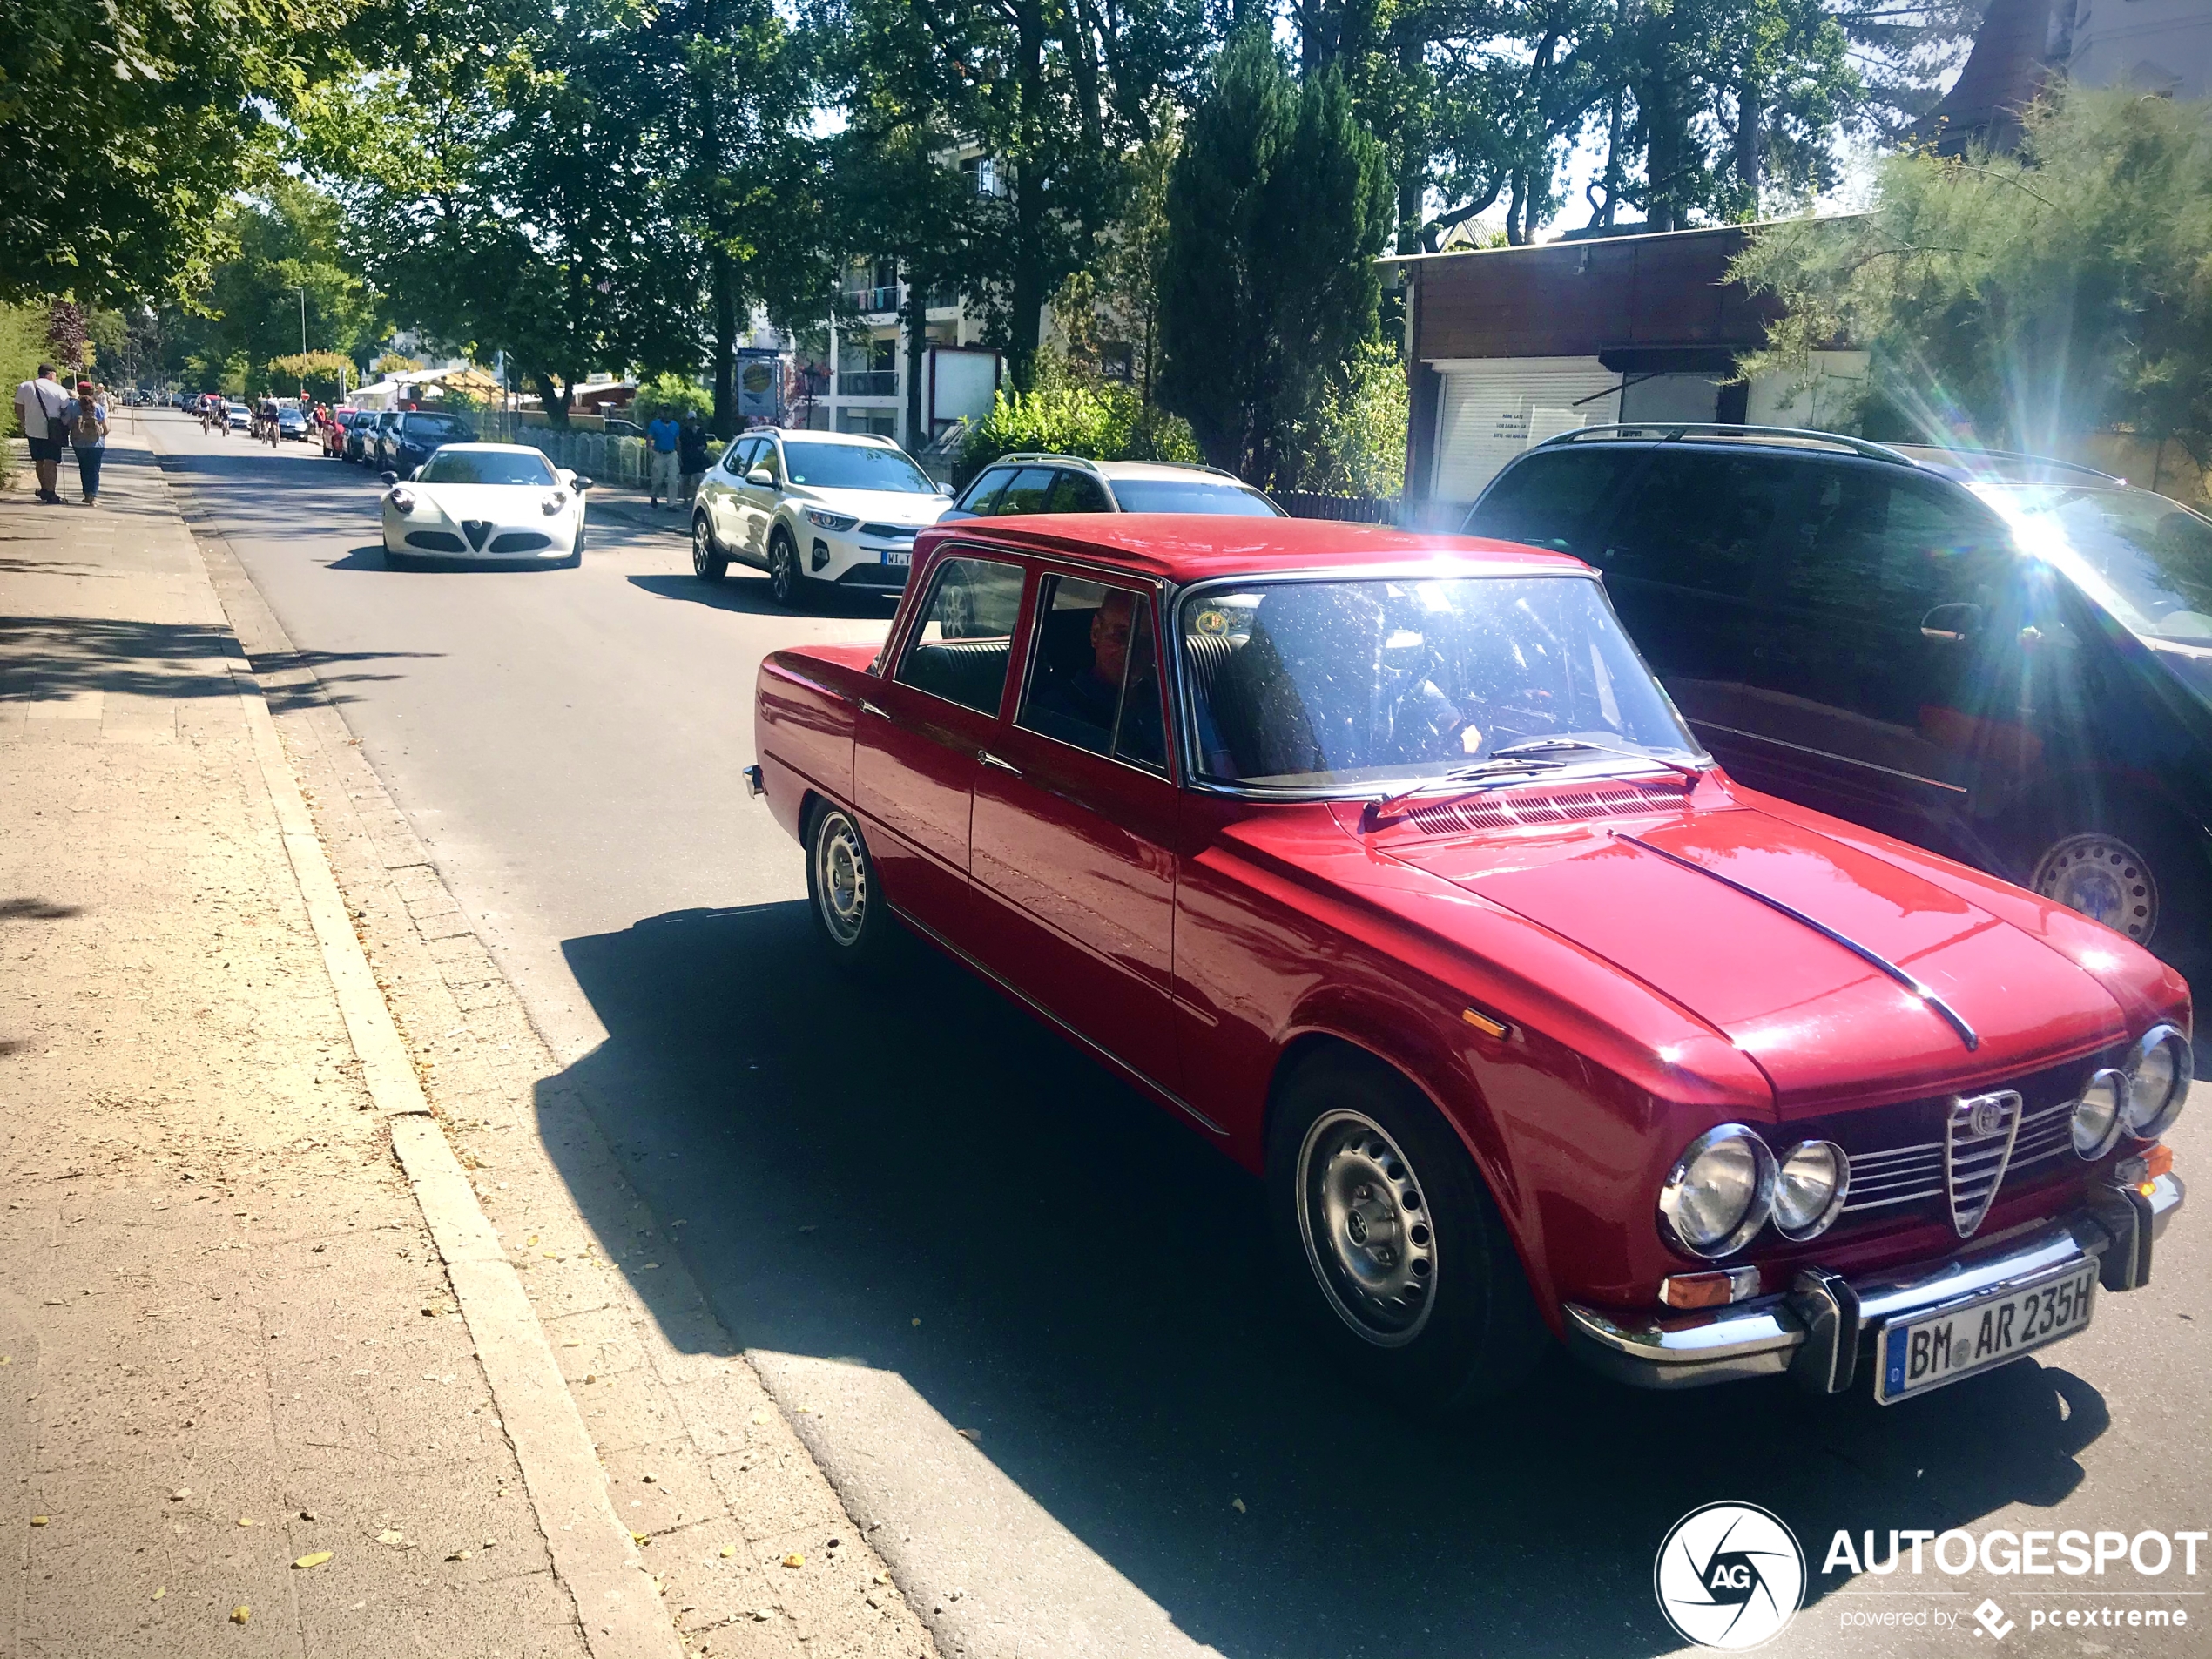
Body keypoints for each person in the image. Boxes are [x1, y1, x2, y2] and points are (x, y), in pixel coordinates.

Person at [14, 363, 73, 503]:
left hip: (32, 429)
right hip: (52, 431)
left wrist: (24, 422)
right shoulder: (59, 390)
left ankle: (44, 488)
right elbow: (66, 411)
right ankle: (50, 492)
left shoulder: (25, 386)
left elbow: (18, 407)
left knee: (39, 461)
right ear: (51, 374)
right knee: (51, 461)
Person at [65, 381, 108, 504]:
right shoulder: (98, 407)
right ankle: (93, 496)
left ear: (78, 391)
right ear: (91, 391)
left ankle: (87, 494)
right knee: (94, 469)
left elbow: (65, 422)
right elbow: (106, 428)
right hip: (96, 444)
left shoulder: (72, 406)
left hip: (78, 443)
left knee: (84, 468)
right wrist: (101, 437)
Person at [645, 408, 681, 506]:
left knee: (673, 479)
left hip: (672, 454)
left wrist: (679, 456)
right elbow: (649, 437)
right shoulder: (655, 424)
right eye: (664, 411)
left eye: (668, 411)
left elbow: (677, 441)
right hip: (659, 454)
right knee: (657, 479)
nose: (666, 413)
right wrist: (650, 450)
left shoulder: (675, 425)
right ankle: (654, 495)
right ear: (660, 413)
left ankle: (671, 503)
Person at [677, 415, 711, 507]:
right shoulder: (683, 432)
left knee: (700, 480)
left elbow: (704, 444)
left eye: (693, 420)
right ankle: (685, 501)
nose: (692, 422)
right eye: (690, 420)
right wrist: (679, 457)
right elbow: (679, 444)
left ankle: (698, 500)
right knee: (685, 481)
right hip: (686, 458)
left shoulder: (700, 431)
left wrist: (702, 448)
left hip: (698, 459)